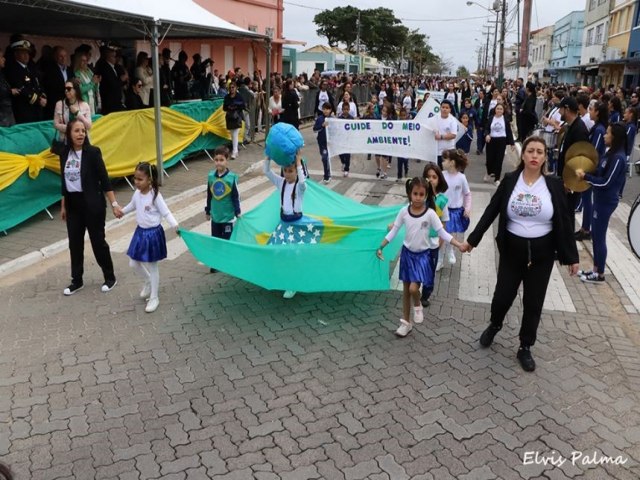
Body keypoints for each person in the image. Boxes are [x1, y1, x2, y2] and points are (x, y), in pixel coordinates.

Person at [462, 136, 580, 372]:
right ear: (522, 155)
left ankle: (525, 346)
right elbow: (491, 211)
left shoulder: (554, 185)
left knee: (533, 303)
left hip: (542, 255)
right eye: (531, 151)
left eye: (540, 152)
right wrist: (472, 240)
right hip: (512, 252)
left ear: (545, 157)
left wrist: (572, 257)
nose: (535, 156)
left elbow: (565, 221)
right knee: (502, 297)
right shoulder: (510, 180)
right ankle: (495, 325)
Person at [377, 177, 463, 337]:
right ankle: (405, 323)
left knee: (413, 288)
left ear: (426, 195)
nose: (417, 197)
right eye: (415, 193)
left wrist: (458, 244)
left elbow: (442, 232)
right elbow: (394, 231)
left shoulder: (430, 214)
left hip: (422, 257)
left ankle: (417, 305)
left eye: (421, 194)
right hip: (407, 255)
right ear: (410, 194)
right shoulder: (404, 211)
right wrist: (381, 246)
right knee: (405, 290)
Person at [59, 118, 122, 295]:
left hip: (92, 204)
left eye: (83, 131)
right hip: (73, 205)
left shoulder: (93, 153)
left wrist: (114, 204)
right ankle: (76, 280)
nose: (81, 134)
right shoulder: (64, 153)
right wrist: (63, 205)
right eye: (76, 131)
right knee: (75, 244)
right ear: (69, 134)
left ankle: (110, 277)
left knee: (98, 242)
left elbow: (104, 179)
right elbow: (64, 182)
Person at [117, 162, 179, 313]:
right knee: (133, 263)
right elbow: (132, 205)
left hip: (153, 234)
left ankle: (154, 297)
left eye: (140, 179)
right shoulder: (137, 193)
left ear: (149, 180)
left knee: (153, 266)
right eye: (135, 178)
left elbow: (166, 213)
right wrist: (122, 212)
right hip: (140, 233)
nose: (136, 182)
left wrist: (175, 225)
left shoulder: (155, 196)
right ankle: (148, 281)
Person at [575, 123, 628, 284]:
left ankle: (599, 274)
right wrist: (587, 171)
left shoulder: (618, 158)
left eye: (608, 133)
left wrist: (586, 178)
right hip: (599, 200)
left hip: (606, 202)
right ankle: (595, 269)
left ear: (615, 137)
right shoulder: (609, 153)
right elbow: (600, 171)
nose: (604, 135)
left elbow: (606, 182)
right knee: (597, 236)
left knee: (599, 236)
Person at [263, 151, 307, 299]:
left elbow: (302, 182)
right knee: (276, 252)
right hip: (283, 225)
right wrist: (268, 156)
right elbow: (267, 171)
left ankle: (293, 284)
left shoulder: (300, 188)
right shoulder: (281, 182)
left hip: (296, 226)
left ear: (296, 171)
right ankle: (281, 278)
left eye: (291, 171)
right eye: (286, 171)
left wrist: (299, 162)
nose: (287, 174)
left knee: (293, 255)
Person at [204, 146, 240, 273]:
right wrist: (208, 211)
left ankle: (229, 262)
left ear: (227, 160)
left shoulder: (231, 178)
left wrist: (238, 211)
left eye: (221, 160)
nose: (218, 162)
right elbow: (209, 194)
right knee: (216, 241)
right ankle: (216, 263)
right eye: (216, 160)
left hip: (228, 216)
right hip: (216, 216)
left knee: (227, 241)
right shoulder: (211, 177)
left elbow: (235, 196)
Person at [575, 101, 608, 241]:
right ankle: (584, 227)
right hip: (590, 166)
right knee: (585, 197)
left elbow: (593, 151)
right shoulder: (596, 127)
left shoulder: (600, 130)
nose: (589, 111)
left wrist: (584, 167)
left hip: (592, 168)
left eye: (592, 109)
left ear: (598, 113)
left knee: (587, 199)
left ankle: (586, 229)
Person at [557, 95, 590, 229]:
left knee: (567, 214)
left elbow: (580, 159)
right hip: (564, 177)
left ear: (567, 109)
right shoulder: (571, 126)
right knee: (564, 213)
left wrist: (569, 182)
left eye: (560, 109)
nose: (559, 112)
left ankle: (567, 244)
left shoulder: (579, 129)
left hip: (570, 181)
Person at [420, 163, 449, 308]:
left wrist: (441, 240)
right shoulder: (419, 196)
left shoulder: (442, 200)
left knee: (430, 271)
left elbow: (444, 222)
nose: (431, 180)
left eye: (434, 177)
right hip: (418, 241)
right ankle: (414, 288)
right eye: (428, 176)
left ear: (439, 179)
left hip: (433, 242)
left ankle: (425, 294)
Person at [439, 149, 471, 270]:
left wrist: (467, 208)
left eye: (444, 160)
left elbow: (467, 194)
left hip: (455, 210)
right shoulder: (441, 175)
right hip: (442, 210)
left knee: (449, 232)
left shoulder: (461, 178)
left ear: (452, 162)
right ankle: (440, 258)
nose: (442, 162)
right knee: (441, 234)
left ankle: (450, 249)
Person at [4, 39, 47, 123]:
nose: (26, 56)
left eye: (27, 53)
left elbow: (38, 84)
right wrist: (38, 100)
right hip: (24, 110)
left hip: (36, 109)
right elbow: (21, 88)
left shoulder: (30, 68)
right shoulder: (13, 70)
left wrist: (43, 96)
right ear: (16, 54)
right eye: (23, 53)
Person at [484, 103, 515, 186]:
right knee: (489, 160)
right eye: (498, 109)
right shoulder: (491, 118)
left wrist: (512, 143)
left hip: (501, 141)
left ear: (503, 111)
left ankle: (497, 178)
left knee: (499, 160)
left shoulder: (505, 120)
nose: (499, 110)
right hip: (491, 141)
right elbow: (486, 128)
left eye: (501, 109)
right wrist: (487, 134)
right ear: (495, 109)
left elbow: (509, 132)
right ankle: (488, 172)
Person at [95, 45, 126, 114]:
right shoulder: (105, 68)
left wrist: (123, 80)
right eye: (114, 56)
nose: (116, 58)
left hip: (116, 100)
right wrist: (121, 80)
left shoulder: (114, 67)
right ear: (109, 57)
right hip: (110, 101)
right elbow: (112, 84)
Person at [223, 81, 246, 159]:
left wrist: (236, 106)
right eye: (230, 88)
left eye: (233, 87)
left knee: (235, 133)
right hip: (230, 117)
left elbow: (243, 106)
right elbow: (224, 108)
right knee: (232, 134)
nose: (231, 89)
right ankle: (235, 150)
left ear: (236, 88)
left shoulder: (239, 96)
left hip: (237, 116)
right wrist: (229, 107)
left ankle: (234, 151)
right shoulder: (227, 97)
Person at [434, 99, 458, 169]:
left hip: (448, 151)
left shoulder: (452, 120)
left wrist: (441, 137)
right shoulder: (435, 117)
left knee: (447, 172)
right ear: (440, 108)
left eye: (447, 108)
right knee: (438, 171)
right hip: (437, 151)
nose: (444, 109)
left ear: (450, 109)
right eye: (443, 107)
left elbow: (453, 135)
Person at [313, 102, 333, 184]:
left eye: (327, 109)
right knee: (324, 158)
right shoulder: (320, 119)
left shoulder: (332, 119)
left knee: (327, 158)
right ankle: (327, 174)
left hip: (330, 143)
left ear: (330, 110)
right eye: (324, 109)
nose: (326, 111)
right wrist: (322, 125)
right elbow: (315, 129)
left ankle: (328, 174)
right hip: (322, 143)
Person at [336, 102, 353, 177]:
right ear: (342, 110)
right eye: (344, 109)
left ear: (349, 110)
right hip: (341, 138)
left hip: (348, 139)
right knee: (340, 152)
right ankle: (343, 162)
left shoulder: (351, 118)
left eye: (347, 109)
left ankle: (347, 169)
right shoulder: (339, 119)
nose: (345, 111)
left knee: (347, 154)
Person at [0, 49, 16, 126]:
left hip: (7, 113)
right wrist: (10, 91)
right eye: (1, 57)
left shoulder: (2, 73)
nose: (4, 59)